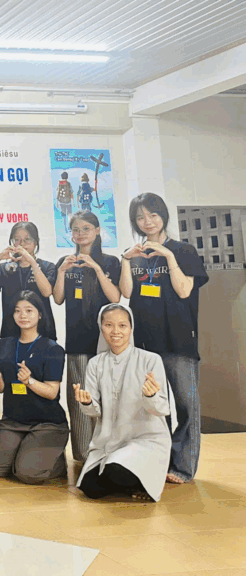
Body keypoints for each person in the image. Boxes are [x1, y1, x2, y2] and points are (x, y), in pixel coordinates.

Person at [119, 193, 208, 484]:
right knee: (155, 408)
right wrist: (126, 260)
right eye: (140, 217)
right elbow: (128, 293)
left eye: (152, 215)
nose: (147, 222)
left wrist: (167, 255)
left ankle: (183, 467)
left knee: (185, 406)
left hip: (178, 341)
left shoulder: (183, 251)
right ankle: (159, 461)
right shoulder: (137, 254)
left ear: (163, 216)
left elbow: (184, 291)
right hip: (145, 344)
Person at [75, 304, 173, 502]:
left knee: (115, 471)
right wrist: (85, 402)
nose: (115, 331)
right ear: (101, 328)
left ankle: (141, 478)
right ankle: (132, 476)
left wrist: (152, 396)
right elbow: (93, 411)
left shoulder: (150, 360)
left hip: (146, 439)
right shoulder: (95, 363)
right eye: (109, 325)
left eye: (122, 325)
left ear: (131, 328)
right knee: (90, 488)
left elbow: (162, 409)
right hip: (109, 441)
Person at [53, 210, 121, 462]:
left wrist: (96, 267)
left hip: (107, 342)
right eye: (76, 230)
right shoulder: (66, 261)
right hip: (77, 340)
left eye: (86, 229)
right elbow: (58, 298)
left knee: (108, 397)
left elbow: (116, 298)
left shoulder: (111, 261)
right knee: (79, 398)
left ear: (98, 230)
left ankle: (111, 452)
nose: (80, 234)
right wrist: (61, 272)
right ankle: (83, 453)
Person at [0, 291, 68, 484]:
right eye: (17, 311)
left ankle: (56, 460)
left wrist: (29, 382)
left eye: (29, 310)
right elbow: (0, 388)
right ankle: (27, 449)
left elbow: (52, 392)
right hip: (14, 421)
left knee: (27, 474)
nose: (22, 315)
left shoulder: (53, 349)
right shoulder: (4, 345)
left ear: (40, 314)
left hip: (46, 423)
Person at [0, 222, 57, 340]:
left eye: (27, 239)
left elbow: (47, 292)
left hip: (42, 330)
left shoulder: (47, 267)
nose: (22, 244)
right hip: (11, 330)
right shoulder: (5, 268)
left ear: (36, 241)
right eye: (17, 240)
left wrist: (32, 262)